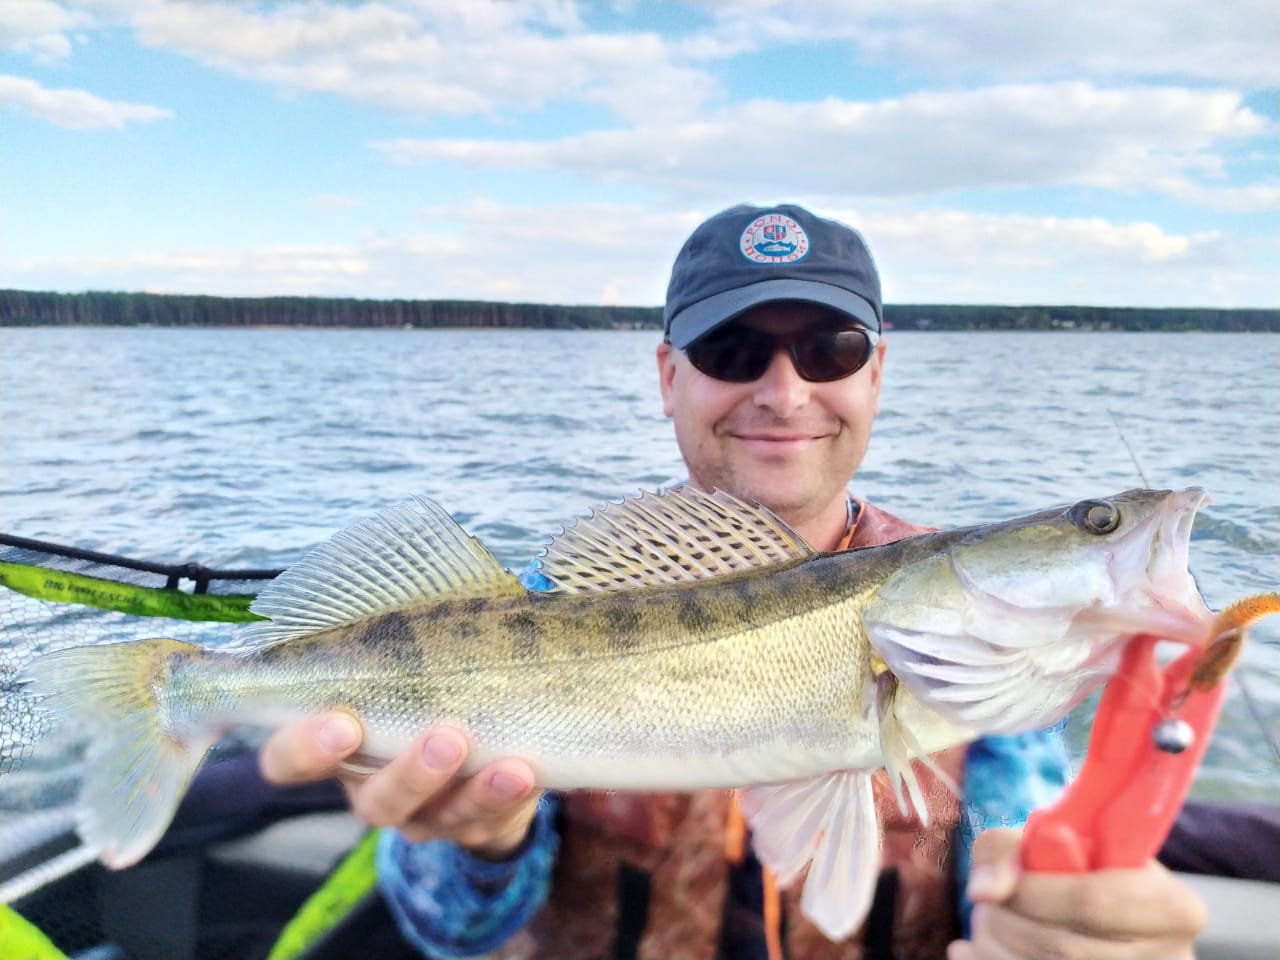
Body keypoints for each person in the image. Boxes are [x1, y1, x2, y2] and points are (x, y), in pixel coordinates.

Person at [259, 203, 1207, 958]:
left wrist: (1052, 914)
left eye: (831, 350)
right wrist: (478, 840)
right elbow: (451, 933)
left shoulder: (999, 663)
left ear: (876, 375)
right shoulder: (543, 606)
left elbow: (1014, 838)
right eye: (731, 352)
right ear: (668, 377)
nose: (784, 393)